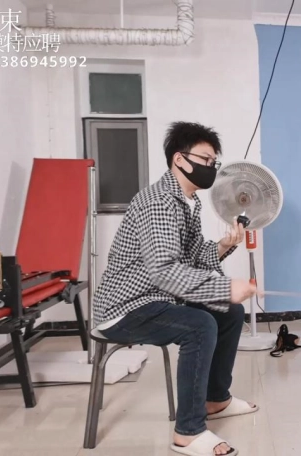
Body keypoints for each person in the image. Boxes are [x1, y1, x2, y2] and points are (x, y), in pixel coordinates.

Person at [93, 121, 260, 456]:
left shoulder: (187, 202)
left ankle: (216, 400)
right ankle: (188, 432)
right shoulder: (159, 201)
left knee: (231, 313)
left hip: (157, 299)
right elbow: (164, 271)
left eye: (214, 161)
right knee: (200, 325)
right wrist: (223, 287)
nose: (211, 167)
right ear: (179, 159)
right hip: (125, 307)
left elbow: (195, 257)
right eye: (205, 159)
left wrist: (225, 245)